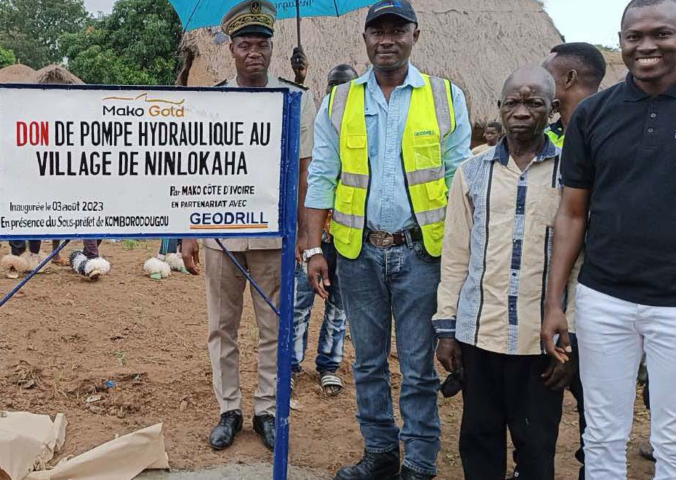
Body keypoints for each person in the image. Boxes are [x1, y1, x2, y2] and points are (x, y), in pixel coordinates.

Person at [304, 0, 472, 478]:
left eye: (397, 29)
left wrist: (463, 254)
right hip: (357, 253)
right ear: (365, 39)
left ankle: (418, 461)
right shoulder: (339, 101)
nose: (387, 39)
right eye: (377, 31)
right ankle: (380, 452)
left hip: (422, 253)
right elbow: (322, 176)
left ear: (415, 35)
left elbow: (461, 178)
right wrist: (314, 248)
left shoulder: (445, 96)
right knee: (367, 363)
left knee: (418, 366)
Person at [543, 0, 676, 478]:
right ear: (620, 40)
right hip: (605, 301)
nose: (646, 46)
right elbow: (572, 213)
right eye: (634, 36)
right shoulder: (594, 114)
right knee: (601, 435)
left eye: (661, 33)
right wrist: (555, 303)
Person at [179, 0, 316, 452]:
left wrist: (304, 233)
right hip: (221, 233)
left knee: (273, 328)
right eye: (245, 45)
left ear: (272, 49)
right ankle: (230, 409)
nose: (254, 52)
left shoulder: (295, 99)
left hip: (274, 235)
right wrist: (189, 231)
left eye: (261, 44)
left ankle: (267, 410)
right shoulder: (215, 100)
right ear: (232, 50)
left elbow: (304, 169)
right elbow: (197, 168)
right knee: (222, 327)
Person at [434, 66, 575, 480]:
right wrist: (447, 329)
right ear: (499, 107)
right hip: (481, 336)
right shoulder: (472, 172)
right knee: (479, 440)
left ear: (552, 109)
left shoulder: (572, 173)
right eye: (513, 102)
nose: (522, 112)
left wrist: (573, 339)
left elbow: (580, 263)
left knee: (536, 446)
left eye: (534, 103)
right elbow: (456, 255)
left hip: (541, 343)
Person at [538, 40, 606, 480]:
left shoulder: (609, 130)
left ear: (567, 78)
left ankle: (593, 466)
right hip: (553, 286)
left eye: (546, 75)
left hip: (597, 286)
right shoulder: (549, 136)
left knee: (595, 396)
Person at [291, 63, 358, 397]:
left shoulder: (364, 132)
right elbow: (303, 181)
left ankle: (329, 366)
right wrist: (303, 234)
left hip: (349, 238)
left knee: (338, 306)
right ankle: (290, 364)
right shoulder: (318, 127)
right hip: (314, 236)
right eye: (334, 85)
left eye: (346, 86)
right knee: (299, 302)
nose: (339, 92)